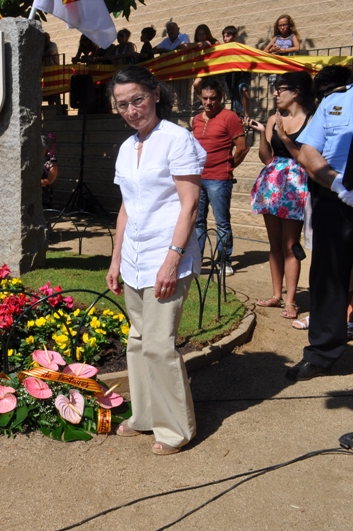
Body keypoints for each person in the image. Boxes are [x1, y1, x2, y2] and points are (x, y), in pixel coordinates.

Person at [106, 65, 205, 455]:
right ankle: (145, 414)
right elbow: (126, 209)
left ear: (155, 94)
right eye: (122, 104)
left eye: (137, 100)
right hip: (133, 257)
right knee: (138, 340)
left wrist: (172, 260)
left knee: (160, 345)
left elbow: (190, 205)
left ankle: (175, 428)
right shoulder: (127, 147)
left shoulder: (177, 140)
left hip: (166, 255)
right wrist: (115, 259)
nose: (131, 110)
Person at [285, 17, 353, 383]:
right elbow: (308, 150)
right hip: (334, 204)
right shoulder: (336, 101)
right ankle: (322, 351)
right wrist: (337, 184)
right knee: (327, 280)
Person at [245, 72, 314, 319]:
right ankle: (276, 295)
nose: (275, 93)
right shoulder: (274, 118)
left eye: (280, 88)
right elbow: (267, 158)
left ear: (295, 92)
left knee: (290, 245)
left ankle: (291, 300)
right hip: (272, 183)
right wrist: (264, 132)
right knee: (274, 244)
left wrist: (285, 138)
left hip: (296, 185)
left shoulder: (311, 120)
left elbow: (308, 158)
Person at [192, 79, 249, 276]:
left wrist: (228, 166)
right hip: (197, 178)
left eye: (213, 98)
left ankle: (224, 260)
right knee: (197, 221)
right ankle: (196, 260)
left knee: (221, 222)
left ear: (221, 97)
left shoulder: (230, 117)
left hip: (219, 179)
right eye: (205, 98)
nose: (209, 102)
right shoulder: (196, 119)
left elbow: (242, 148)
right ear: (200, 97)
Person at [221, 26, 251, 117]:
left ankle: (246, 116)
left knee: (243, 89)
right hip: (230, 76)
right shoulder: (222, 49)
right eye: (224, 36)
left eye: (228, 36)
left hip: (242, 74)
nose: (225, 39)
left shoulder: (241, 47)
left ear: (235, 36)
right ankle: (238, 116)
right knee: (235, 97)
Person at [40, 133, 58, 208]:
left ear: (45, 148)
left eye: (40, 148)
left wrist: (36, 183)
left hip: (43, 192)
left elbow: (50, 180)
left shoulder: (51, 161)